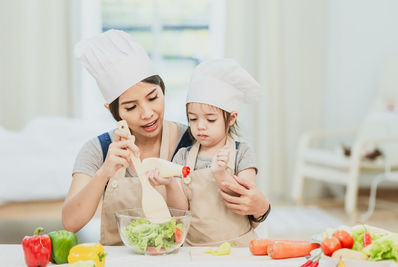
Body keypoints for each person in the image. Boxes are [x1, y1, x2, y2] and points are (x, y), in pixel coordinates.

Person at [62, 29, 192, 245]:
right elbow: (70, 222)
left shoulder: (193, 140)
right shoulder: (98, 149)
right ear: (113, 111)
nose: (147, 113)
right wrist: (104, 173)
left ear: (162, 89)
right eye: (131, 107)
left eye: (153, 97)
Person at [147, 59, 271, 247]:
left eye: (210, 119)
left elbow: (244, 201)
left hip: (238, 248)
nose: (200, 126)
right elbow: (180, 212)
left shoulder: (241, 152)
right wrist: (170, 183)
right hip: (193, 248)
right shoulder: (183, 156)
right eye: (193, 119)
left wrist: (220, 174)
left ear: (231, 118)